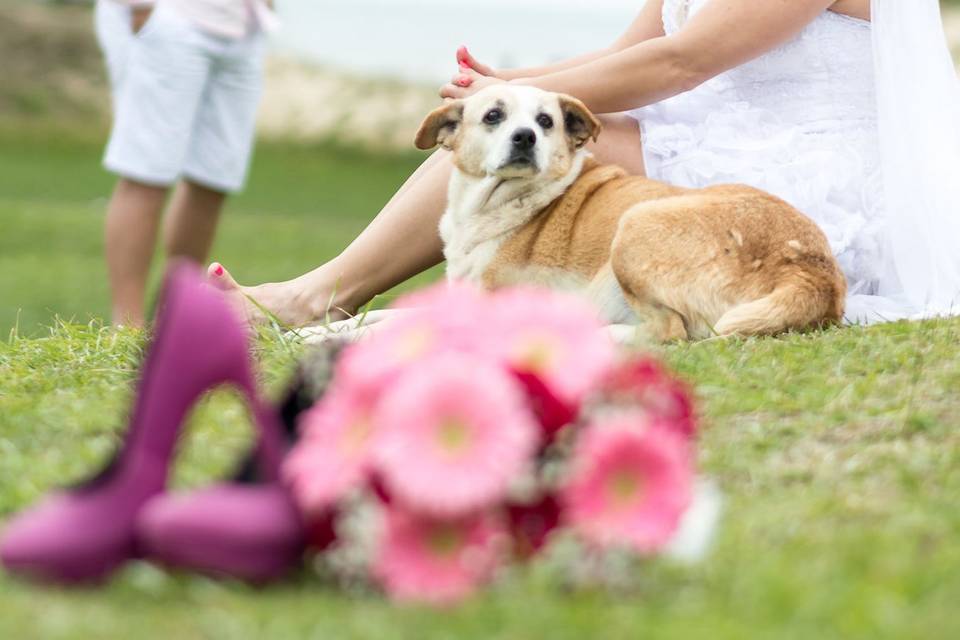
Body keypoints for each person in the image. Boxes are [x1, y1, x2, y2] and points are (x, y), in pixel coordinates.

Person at [210, 0, 960, 327]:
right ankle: (329, 293)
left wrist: (512, 98)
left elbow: (682, 61)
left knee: (509, 143)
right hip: (731, 127)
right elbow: (627, 54)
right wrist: (509, 80)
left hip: (808, 170)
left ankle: (316, 297)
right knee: (504, 129)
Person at [100, 0, 277, 327]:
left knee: (213, 179)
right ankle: (126, 326)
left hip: (243, 25)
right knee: (146, 173)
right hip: (170, 16)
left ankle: (173, 321)